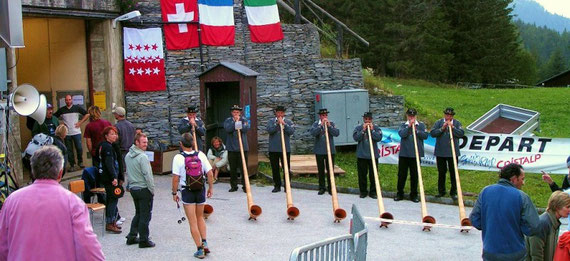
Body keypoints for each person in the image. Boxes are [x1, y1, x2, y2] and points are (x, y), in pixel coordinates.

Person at [0, 146, 104, 260]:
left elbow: (3, 245)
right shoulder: (73, 203)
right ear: (60, 173)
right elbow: (86, 246)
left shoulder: (12, 200)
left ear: (33, 171)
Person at [469, 163, 542, 261]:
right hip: (514, 253)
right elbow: (533, 227)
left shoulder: (485, 192)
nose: (523, 183)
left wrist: (490, 226)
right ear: (514, 179)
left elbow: (475, 220)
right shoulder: (522, 197)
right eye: (522, 179)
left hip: (490, 252)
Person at [171, 133, 214, 259]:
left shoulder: (178, 158)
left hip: (187, 190)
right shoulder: (200, 155)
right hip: (200, 189)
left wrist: (174, 193)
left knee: (192, 221)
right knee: (200, 217)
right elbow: (210, 173)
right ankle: (205, 242)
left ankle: (199, 249)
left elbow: (175, 178)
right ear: (193, 143)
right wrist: (210, 187)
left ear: (181, 144)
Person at [125, 132, 156, 248]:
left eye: (146, 142)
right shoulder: (143, 157)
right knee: (145, 215)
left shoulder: (128, 155)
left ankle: (132, 236)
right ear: (136, 142)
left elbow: (128, 172)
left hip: (134, 189)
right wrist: (152, 189)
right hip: (143, 189)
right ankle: (144, 240)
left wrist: (129, 185)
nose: (146, 144)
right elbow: (148, 175)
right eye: (143, 142)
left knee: (138, 213)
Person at [430, 107, 465, 199]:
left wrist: (452, 128)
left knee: (454, 173)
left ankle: (453, 192)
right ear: (444, 115)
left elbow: (461, 133)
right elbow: (433, 133)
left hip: (453, 152)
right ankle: (441, 191)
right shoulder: (438, 122)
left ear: (453, 116)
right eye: (447, 115)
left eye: (450, 115)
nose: (448, 117)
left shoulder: (457, 123)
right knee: (441, 172)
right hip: (441, 151)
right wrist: (442, 128)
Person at [526, 191, 570, 261]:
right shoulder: (543, 223)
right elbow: (536, 254)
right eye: (567, 207)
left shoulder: (554, 223)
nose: (569, 210)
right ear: (557, 207)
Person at [395, 108, 427, 202]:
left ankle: (414, 195)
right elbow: (402, 134)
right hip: (404, 154)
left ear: (415, 116)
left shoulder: (420, 125)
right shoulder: (403, 125)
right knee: (401, 175)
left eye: (413, 116)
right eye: (409, 116)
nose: (411, 117)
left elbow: (425, 136)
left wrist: (416, 131)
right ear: (407, 116)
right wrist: (409, 126)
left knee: (415, 175)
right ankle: (400, 193)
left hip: (415, 155)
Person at [97, 126, 124, 233]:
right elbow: (109, 163)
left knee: (111, 199)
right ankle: (110, 222)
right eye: (112, 134)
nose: (115, 136)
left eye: (115, 134)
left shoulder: (106, 146)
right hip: (109, 178)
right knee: (113, 199)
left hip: (107, 176)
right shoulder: (107, 147)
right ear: (106, 136)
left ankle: (112, 221)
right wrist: (114, 177)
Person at [54, 94, 89, 171]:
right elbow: (54, 117)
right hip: (67, 133)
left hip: (76, 132)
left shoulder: (77, 108)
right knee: (69, 149)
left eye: (69, 99)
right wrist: (61, 124)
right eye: (66, 100)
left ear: (72, 100)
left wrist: (80, 122)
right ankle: (72, 165)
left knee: (79, 148)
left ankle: (80, 162)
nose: (68, 101)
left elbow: (87, 114)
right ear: (65, 101)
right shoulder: (62, 110)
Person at [310, 108, 340, 195]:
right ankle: (322, 187)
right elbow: (313, 133)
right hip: (319, 151)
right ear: (320, 116)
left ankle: (331, 188)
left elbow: (336, 133)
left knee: (330, 169)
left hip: (330, 151)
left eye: (326, 115)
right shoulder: (316, 124)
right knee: (321, 170)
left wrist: (329, 126)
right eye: (323, 115)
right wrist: (321, 126)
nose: (325, 117)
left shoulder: (332, 123)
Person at [353, 112, 382, 198]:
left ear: (371, 119)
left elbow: (378, 138)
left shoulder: (376, 128)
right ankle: (363, 192)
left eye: (369, 119)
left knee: (373, 175)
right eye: (366, 119)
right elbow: (356, 138)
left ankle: (373, 192)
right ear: (364, 119)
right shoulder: (358, 127)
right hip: (362, 155)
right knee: (362, 175)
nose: (367, 121)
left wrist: (372, 130)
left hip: (373, 155)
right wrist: (363, 131)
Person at [266, 105, 295, 193]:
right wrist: (277, 124)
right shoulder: (271, 121)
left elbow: (291, 132)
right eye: (278, 113)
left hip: (285, 149)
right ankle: (277, 185)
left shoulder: (288, 122)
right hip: (273, 149)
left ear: (284, 113)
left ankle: (287, 185)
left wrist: (284, 124)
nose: (280, 114)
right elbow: (269, 130)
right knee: (275, 168)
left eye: (281, 113)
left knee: (286, 168)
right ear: (276, 113)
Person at [224, 105, 250, 193]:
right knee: (233, 168)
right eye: (234, 112)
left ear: (240, 113)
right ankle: (234, 186)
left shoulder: (244, 120)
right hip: (232, 148)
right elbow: (228, 129)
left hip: (242, 147)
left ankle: (245, 186)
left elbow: (246, 129)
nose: (236, 114)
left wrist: (239, 122)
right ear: (232, 113)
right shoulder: (228, 120)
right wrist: (234, 123)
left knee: (244, 168)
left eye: (237, 112)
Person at [114, 106, 136, 172]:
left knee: (122, 171)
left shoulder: (116, 126)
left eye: (115, 113)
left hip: (121, 152)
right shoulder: (131, 125)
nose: (114, 115)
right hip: (131, 151)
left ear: (118, 115)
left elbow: (116, 141)